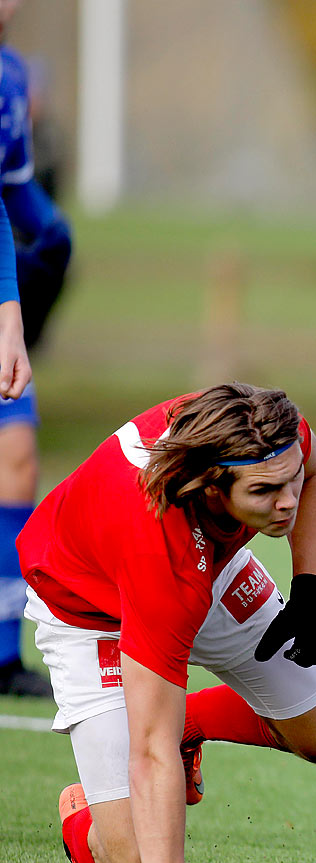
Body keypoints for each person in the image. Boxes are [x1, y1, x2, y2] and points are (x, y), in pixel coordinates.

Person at [19, 384, 316, 863]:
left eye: (288, 480)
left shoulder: (266, 431)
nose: (288, 500)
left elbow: (311, 467)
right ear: (210, 488)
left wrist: (312, 588)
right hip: (89, 610)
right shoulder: (163, 554)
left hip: (210, 570)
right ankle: (84, 811)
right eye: (266, 491)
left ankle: (189, 724)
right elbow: (151, 748)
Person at [0, 0, 70, 698]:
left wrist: (52, 229)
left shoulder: (10, 77)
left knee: (17, 466)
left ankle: (1, 653)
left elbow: (11, 191)